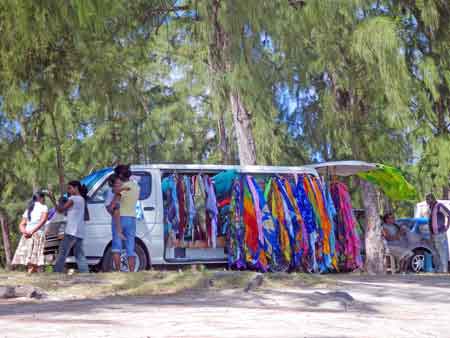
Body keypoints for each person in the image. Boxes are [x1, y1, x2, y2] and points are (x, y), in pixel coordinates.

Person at [54, 181, 89, 273]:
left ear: (76, 187)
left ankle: (57, 271)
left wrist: (52, 199)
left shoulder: (73, 198)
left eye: (70, 188)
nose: (68, 191)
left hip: (71, 231)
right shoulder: (82, 199)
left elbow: (60, 210)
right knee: (79, 254)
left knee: (62, 252)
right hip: (79, 231)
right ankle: (85, 273)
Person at [12, 191, 49, 273]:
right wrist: (32, 231)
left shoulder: (29, 208)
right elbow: (43, 221)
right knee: (34, 258)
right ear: (41, 198)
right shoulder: (44, 207)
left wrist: (24, 232)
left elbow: (22, 224)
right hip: (37, 234)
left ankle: (31, 272)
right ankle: (31, 272)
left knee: (29, 257)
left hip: (27, 234)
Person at [112, 164, 140, 272]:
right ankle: (132, 272)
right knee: (130, 247)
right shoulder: (137, 187)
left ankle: (118, 271)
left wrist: (117, 187)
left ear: (120, 175)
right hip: (132, 218)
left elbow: (115, 197)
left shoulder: (123, 187)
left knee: (116, 246)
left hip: (120, 217)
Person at [426, 193, 450, 273]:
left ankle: (444, 269)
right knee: (436, 252)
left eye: (428, 199)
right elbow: (429, 222)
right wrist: (430, 234)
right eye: (426, 200)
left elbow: (448, 214)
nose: (427, 201)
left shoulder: (439, 206)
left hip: (441, 232)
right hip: (434, 234)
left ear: (433, 199)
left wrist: (447, 226)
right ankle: (439, 269)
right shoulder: (430, 208)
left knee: (443, 251)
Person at [105, 174, 128, 241]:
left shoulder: (117, 188)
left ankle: (119, 231)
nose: (120, 183)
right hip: (110, 206)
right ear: (113, 183)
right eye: (118, 182)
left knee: (117, 213)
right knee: (116, 213)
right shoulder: (113, 189)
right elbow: (116, 193)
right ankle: (119, 232)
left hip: (113, 205)